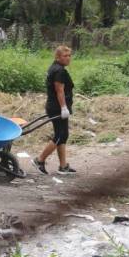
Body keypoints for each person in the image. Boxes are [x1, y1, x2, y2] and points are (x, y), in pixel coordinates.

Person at [33, 45, 77, 175]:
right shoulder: (59, 71)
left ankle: (63, 166)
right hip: (57, 107)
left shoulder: (55, 67)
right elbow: (60, 91)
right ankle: (40, 160)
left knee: (63, 135)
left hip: (55, 106)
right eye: (65, 56)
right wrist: (63, 108)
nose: (68, 58)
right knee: (60, 135)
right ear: (58, 57)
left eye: (69, 55)